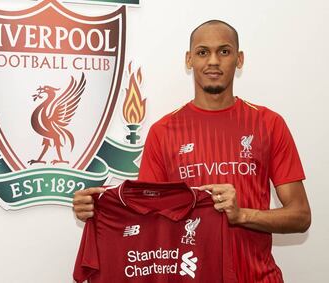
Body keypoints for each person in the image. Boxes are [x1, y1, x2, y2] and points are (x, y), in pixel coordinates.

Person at [72, 20, 311, 282]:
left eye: (224, 51)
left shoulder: (268, 123)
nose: (213, 61)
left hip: (256, 277)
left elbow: (300, 216)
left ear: (239, 59)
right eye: (202, 52)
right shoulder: (163, 131)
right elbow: (147, 219)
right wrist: (98, 207)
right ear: (189, 60)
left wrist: (241, 215)